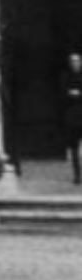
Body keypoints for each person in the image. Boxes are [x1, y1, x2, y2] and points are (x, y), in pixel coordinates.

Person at [61, 52, 82, 185]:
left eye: (77, 61)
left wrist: (79, 93)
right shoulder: (65, 77)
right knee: (74, 148)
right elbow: (61, 93)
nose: (75, 63)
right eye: (72, 61)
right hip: (72, 117)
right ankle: (77, 175)